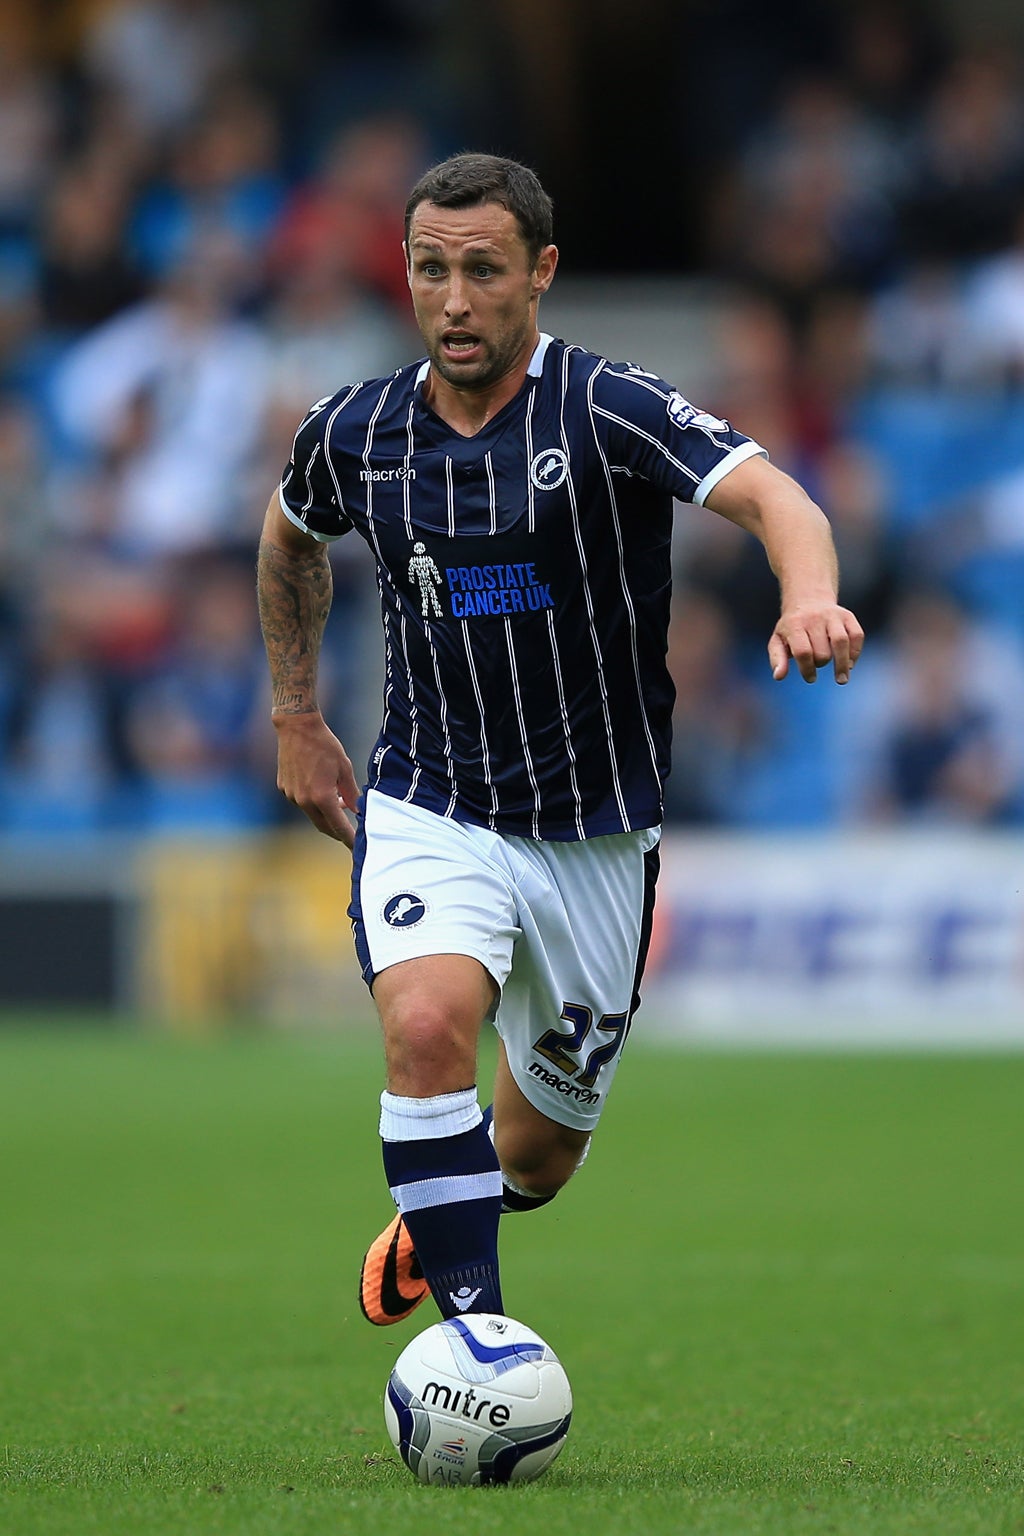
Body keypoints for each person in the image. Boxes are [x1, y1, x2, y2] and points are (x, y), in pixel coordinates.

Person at [256, 153, 863, 1327]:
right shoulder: (357, 431)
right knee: (426, 1025)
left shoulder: (606, 406)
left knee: (537, 1157)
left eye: (482, 270)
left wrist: (808, 595)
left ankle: (457, 1197)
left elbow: (778, 498)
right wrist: (295, 717)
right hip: (431, 802)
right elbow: (287, 543)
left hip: (593, 834)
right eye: (429, 269)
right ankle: (477, 1339)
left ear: (538, 274)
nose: (453, 299)